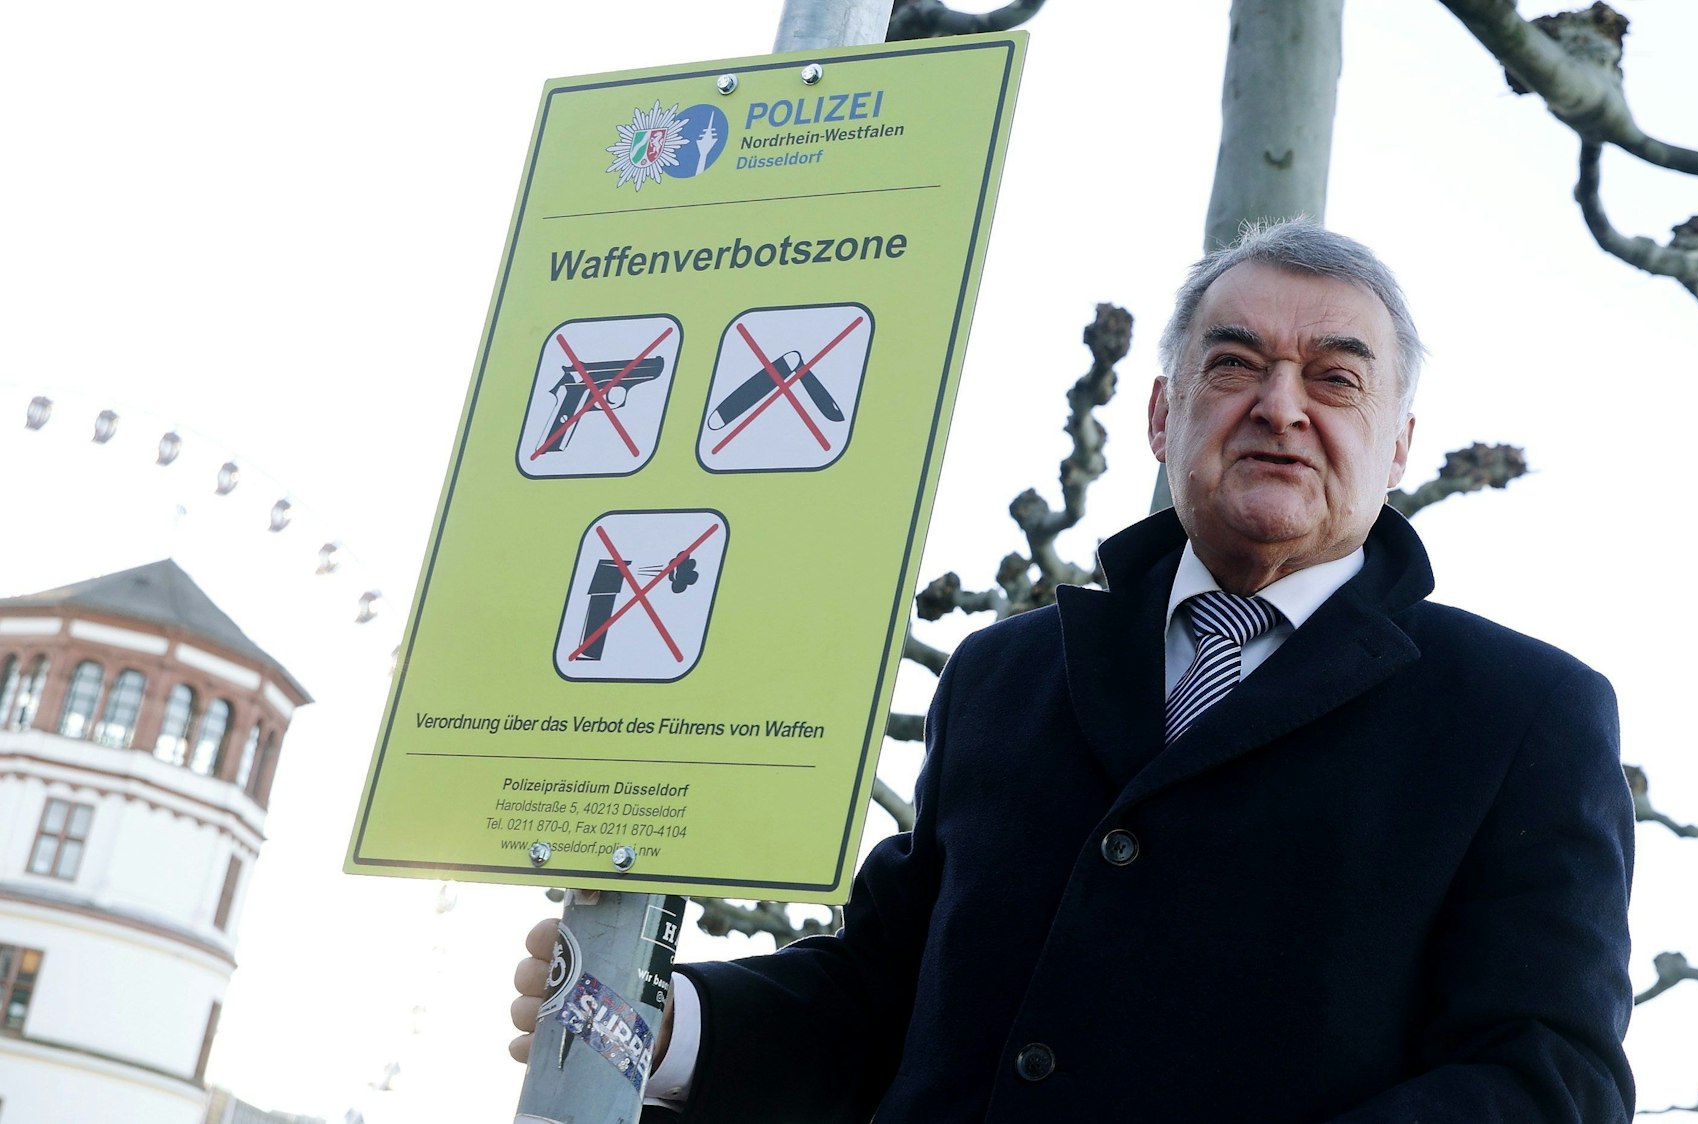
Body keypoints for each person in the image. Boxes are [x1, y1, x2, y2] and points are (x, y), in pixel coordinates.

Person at [511, 220, 1638, 1122]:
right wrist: (664, 1024)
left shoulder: (1522, 712)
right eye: (1234, 363)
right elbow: (882, 994)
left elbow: (1548, 1078)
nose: (1279, 405)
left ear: (1397, 443)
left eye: (1335, 379)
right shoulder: (1003, 672)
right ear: (1161, 411)